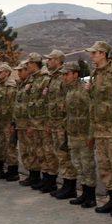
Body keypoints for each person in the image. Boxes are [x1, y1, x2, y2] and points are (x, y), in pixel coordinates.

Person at [85, 41, 112, 217]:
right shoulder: (94, 73)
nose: (92, 56)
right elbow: (95, 102)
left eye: (94, 53)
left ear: (103, 53)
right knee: (104, 166)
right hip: (99, 128)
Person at [60, 61, 97, 208]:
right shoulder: (69, 91)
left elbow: (92, 113)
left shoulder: (84, 90)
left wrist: (91, 135)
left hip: (83, 135)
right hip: (73, 134)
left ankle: (91, 196)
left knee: (87, 165)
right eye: (63, 74)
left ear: (76, 74)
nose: (64, 77)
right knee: (78, 165)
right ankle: (84, 194)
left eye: (67, 74)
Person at [44, 50, 78, 199]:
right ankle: (65, 185)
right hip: (54, 122)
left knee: (65, 155)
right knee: (60, 155)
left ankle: (70, 186)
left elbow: (68, 101)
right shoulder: (52, 78)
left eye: (50, 59)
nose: (48, 62)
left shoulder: (62, 78)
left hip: (63, 123)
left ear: (58, 60)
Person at [25, 53, 54, 192]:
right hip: (35, 122)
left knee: (48, 152)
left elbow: (48, 103)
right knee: (40, 152)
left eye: (28, 64)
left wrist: (48, 123)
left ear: (34, 63)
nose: (27, 66)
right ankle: (45, 179)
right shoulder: (33, 79)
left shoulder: (45, 79)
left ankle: (50, 181)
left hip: (43, 123)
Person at [0, 63, 19, 181]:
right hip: (1, 120)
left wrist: (13, 123)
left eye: (0, 72)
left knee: (10, 146)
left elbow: (13, 106)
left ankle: (13, 171)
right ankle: (8, 169)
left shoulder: (11, 86)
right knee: (4, 146)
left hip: (9, 121)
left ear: (7, 73)